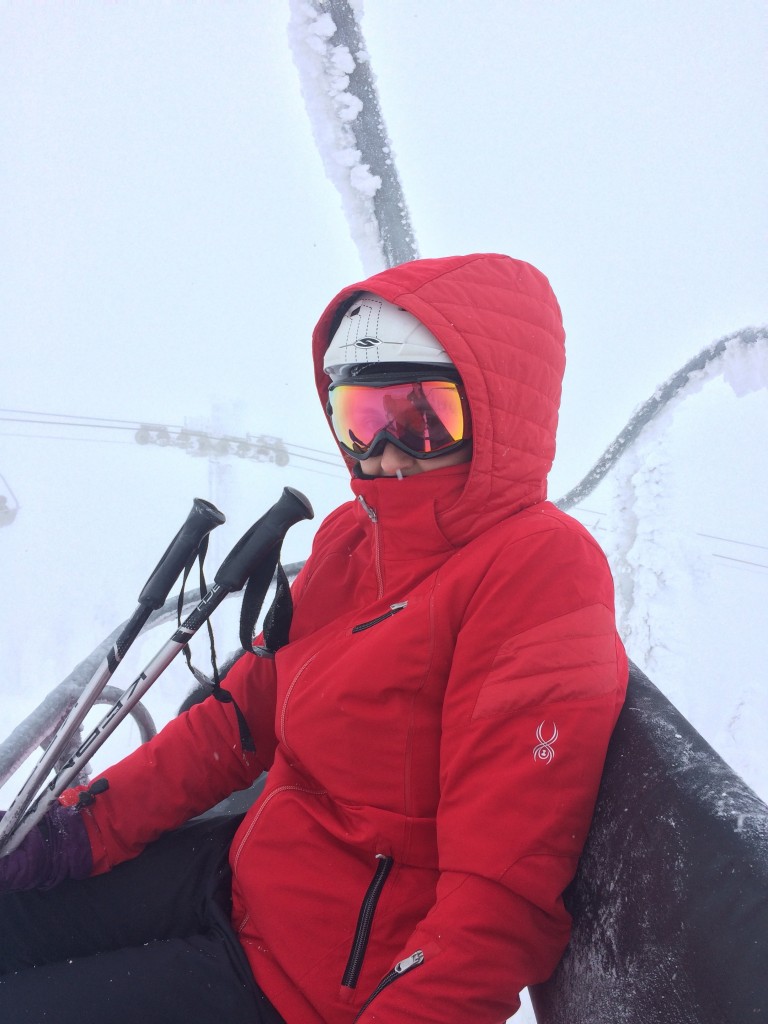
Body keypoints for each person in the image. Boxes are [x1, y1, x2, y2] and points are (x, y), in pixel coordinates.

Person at [0, 253, 628, 1023]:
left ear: (500, 409)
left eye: (423, 419)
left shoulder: (537, 574)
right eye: (362, 418)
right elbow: (238, 721)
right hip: (243, 881)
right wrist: (84, 828)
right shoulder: (352, 539)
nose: (385, 452)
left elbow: (500, 900)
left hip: (312, 988)